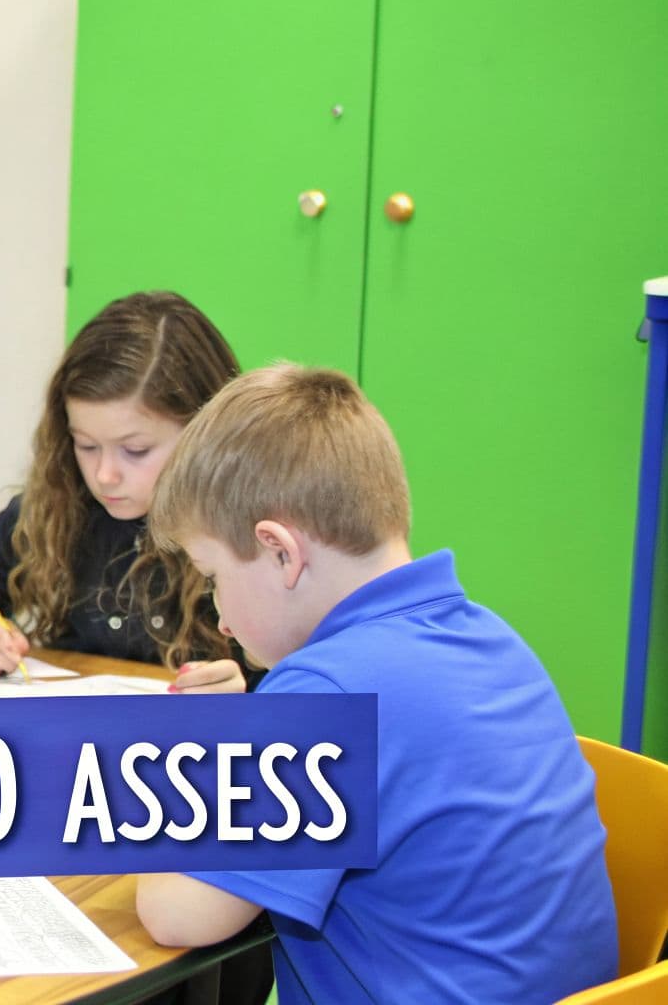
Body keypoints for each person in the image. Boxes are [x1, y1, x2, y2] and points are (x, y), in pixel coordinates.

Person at [137, 364, 618, 1003]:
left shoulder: (328, 695)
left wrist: (179, 783)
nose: (219, 617)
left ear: (281, 553)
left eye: (214, 576)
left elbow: (176, 915)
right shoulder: (490, 638)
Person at [0, 292, 252, 691]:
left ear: (204, 435)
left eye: (135, 450)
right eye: (86, 445)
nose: (105, 475)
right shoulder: (62, 506)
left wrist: (250, 684)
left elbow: (313, 660)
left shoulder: (250, 531)